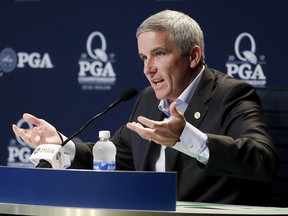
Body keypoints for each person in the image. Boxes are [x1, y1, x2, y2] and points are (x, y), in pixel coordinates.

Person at [12, 10, 278, 206]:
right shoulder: (150, 99)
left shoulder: (231, 94)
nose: (147, 68)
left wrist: (185, 136)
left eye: (159, 54)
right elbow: (116, 156)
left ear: (193, 56)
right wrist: (60, 144)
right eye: (143, 57)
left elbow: (262, 160)